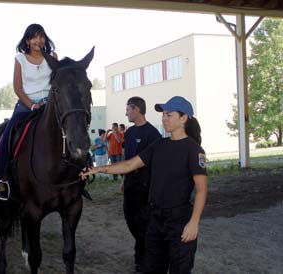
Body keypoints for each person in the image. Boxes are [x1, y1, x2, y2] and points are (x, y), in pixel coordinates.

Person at [81, 96, 207, 274]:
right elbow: (129, 165)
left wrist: (193, 223)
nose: (164, 118)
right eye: (163, 114)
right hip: (155, 219)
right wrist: (96, 169)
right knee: (151, 268)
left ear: (183, 118)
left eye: (168, 115)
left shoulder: (194, 150)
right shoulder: (159, 145)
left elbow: (201, 190)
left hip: (179, 221)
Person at [0, 23, 57, 200]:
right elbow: (17, 88)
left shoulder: (52, 56)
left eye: (42, 36)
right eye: (35, 36)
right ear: (28, 40)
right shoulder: (20, 59)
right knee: (7, 136)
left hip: (50, 104)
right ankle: (2, 182)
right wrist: (31, 105)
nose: (39, 40)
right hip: (26, 105)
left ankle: (78, 174)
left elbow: (57, 81)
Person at [122, 96, 161, 273]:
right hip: (130, 186)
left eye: (128, 109)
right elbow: (127, 160)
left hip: (145, 188)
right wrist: (124, 180)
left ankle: (143, 262)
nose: (126, 113)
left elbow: (156, 164)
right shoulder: (129, 133)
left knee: (144, 224)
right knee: (131, 221)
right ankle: (142, 259)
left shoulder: (153, 134)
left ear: (137, 109)